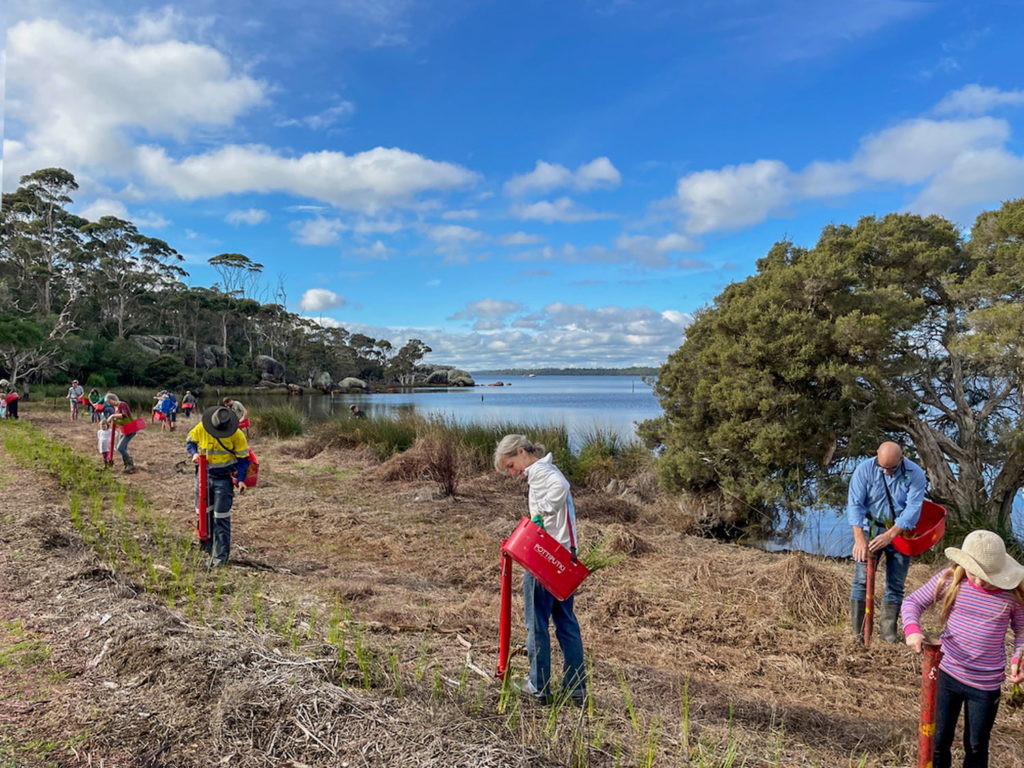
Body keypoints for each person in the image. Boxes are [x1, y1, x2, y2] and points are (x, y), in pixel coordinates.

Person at [902, 530, 1024, 768]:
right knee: (939, 740)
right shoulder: (950, 581)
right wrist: (912, 629)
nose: (979, 581)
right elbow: (912, 602)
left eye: (987, 576)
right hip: (947, 674)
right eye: (974, 573)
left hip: (986, 684)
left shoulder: (1010, 596)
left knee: (976, 745)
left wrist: (1019, 657)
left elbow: (1023, 631)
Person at [493, 434, 586, 705]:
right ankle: (576, 687)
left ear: (522, 452)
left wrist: (540, 514)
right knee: (566, 622)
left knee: (536, 624)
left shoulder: (542, 471)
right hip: (565, 556)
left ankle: (539, 685)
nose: (513, 472)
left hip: (545, 556)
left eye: (511, 465)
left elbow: (562, 487)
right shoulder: (546, 469)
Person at [847, 441, 927, 642]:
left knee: (895, 583)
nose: (887, 472)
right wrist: (859, 539)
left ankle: (888, 636)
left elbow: (913, 508)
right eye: (883, 467)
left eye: (891, 468)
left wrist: (890, 535)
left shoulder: (915, 473)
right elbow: (855, 504)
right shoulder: (864, 470)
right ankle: (859, 634)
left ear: (902, 458)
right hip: (868, 528)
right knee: (861, 580)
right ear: (876, 456)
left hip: (900, 531)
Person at [186, 406, 250, 567]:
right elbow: (190, 441)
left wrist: (241, 480)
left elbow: (243, 460)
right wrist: (193, 453)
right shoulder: (202, 428)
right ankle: (206, 547)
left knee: (220, 517)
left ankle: (220, 558)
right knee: (203, 514)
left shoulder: (237, 435)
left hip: (223, 480)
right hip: (203, 476)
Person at [103, 393, 137, 473]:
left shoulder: (122, 404)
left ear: (112, 399)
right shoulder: (116, 407)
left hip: (130, 429)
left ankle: (130, 464)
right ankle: (126, 465)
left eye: (108, 402)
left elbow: (124, 415)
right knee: (123, 448)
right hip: (123, 429)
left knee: (120, 448)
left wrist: (112, 416)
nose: (108, 404)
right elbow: (119, 420)